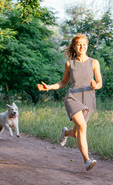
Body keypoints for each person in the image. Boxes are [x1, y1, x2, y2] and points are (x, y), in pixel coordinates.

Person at [37, 34, 103, 171]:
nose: (82, 47)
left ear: (87, 45)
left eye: (84, 44)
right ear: (74, 46)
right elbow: (63, 83)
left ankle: (66, 133)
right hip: (73, 98)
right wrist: (48, 87)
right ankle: (87, 160)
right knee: (83, 126)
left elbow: (100, 82)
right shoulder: (69, 64)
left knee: (78, 132)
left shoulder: (94, 62)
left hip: (89, 99)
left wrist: (95, 85)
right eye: (79, 44)